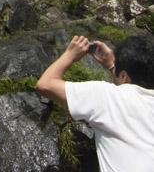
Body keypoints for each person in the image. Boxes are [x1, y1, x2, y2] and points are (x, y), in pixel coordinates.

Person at [36, 34, 154, 172]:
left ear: (124, 76)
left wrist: (70, 55)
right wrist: (112, 65)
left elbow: (45, 85)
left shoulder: (107, 96)